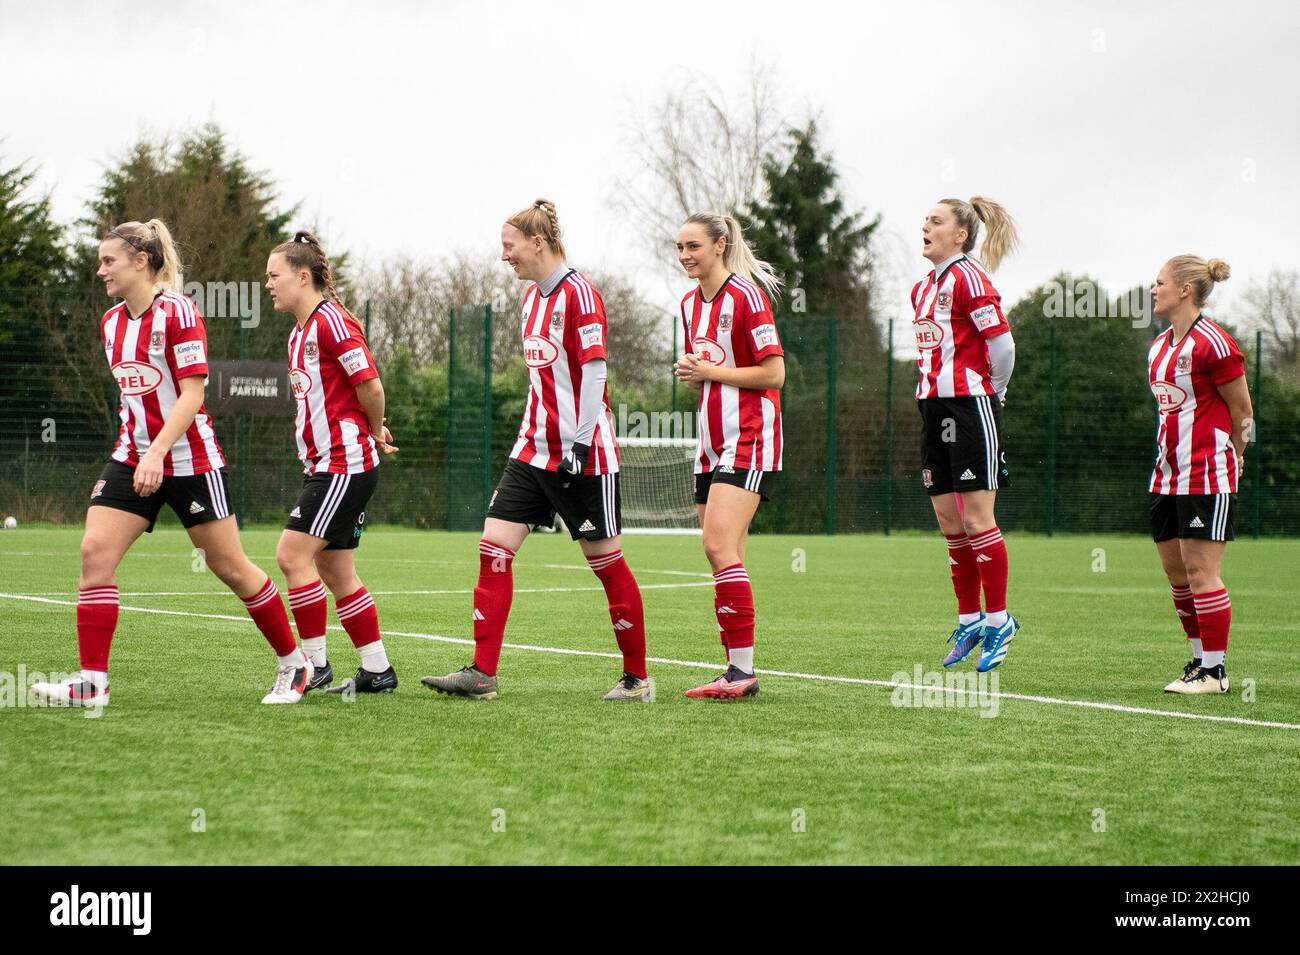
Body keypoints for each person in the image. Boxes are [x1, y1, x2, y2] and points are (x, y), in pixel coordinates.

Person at [32, 220, 307, 708]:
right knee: (94, 554)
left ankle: (294, 663)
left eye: (108, 261)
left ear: (141, 262)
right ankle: (92, 683)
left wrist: (158, 451)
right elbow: (134, 396)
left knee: (230, 568)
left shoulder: (179, 312)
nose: (101, 271)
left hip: (189, 459)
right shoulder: (111, 322)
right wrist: (141, 453)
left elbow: (193, 393)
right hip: (131, 458)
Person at [421, 199, 652, 702]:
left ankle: (637, 679)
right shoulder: (530, 300)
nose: (505, 256)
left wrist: (582, 441)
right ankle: (482, 673)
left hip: (583, 455)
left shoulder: (580, 295)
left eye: (510, 246)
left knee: (606, 563)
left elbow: (594, 372)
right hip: (531, 451)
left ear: (537, 243)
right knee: (493, 549)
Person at [264, 231, 399, 703]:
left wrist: (375, 430)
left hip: (343, 465)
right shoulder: (298, 333)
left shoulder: (333, 323)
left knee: (291, 556)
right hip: (328, 464)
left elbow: (372, 387)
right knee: (336, 570)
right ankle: (377, 670)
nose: (269, 285)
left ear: (304, 276)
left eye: (274, 275)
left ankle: (314, 665)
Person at [673, 212, 784, 700]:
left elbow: (773, 374)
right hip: (709, 443)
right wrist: (695, 373)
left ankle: (742, 673)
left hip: (750, 436)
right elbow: (709, 368)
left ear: (720, 246)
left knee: (718, 547)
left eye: (693, 246)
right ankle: (737, 670)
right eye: (679, 247)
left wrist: (712, 373)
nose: (685, 256)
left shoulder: (746, 297)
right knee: (727, 553)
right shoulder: (687, 304)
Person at [913, 197, 1020, 672]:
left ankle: (999, 621)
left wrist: (992, 392)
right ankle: (970, 619)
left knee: (978, 520)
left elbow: (1002, 344)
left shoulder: (969, 277)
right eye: (925, 220)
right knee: (949, 522)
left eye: (936, 221)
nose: (925, 226)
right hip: (933, 408)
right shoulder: (921, 288)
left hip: (970, 405)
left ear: (960, 235)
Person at [1148, 256, 1249, 694]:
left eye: (1160, 283)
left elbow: (1243, 412)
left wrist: (1236, 455)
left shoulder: (1215, 344)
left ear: (1186, 289)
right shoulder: (1158, 347)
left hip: (1206, 473)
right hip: (1166, 475)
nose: (1153, 290)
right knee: (1176, 572)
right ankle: (1197, 661)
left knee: (1201, 569)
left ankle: (1215, 672)